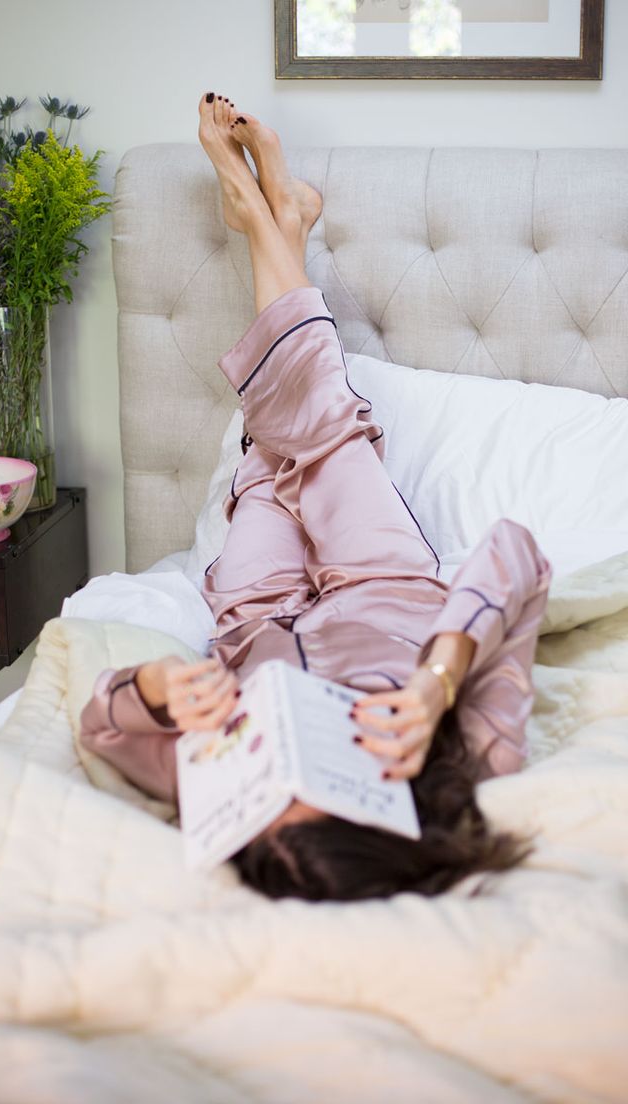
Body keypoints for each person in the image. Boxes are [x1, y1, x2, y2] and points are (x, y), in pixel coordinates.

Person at [80, 92, 552, 900]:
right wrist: (440, 676)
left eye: (267, 795)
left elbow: (101, 727)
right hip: (384, 588)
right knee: (325, 434)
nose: (276, 760)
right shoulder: (475, 755)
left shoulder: (223, 787)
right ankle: (271, 220)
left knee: (272, 449)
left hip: (256, 615)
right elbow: (516, 555)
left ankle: (280, 222)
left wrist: (154, 694)